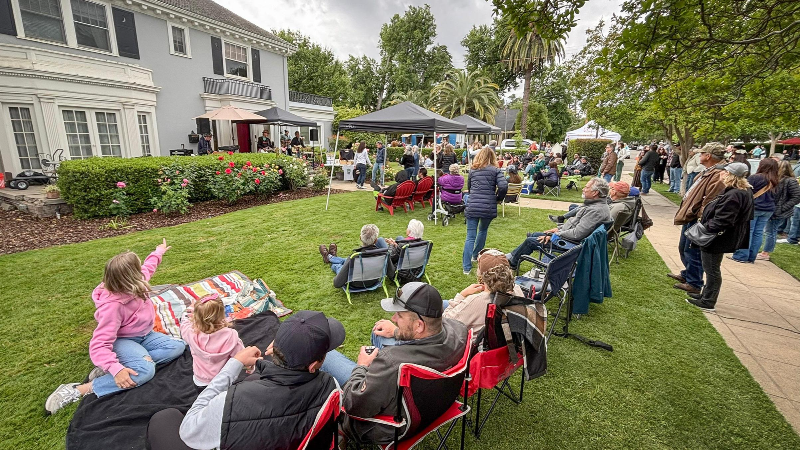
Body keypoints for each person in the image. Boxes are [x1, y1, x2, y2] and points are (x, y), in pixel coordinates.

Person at [146, 311, 345, 450]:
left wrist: (233, 365)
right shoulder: (331, 386)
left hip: (219, 417)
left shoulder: (231, 402)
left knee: (165, 418)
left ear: (275, 345)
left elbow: (189, 429)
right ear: (313, 365)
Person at [45, 239, 186, 414]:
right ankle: (78, 389)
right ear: (129, 279)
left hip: (145, 335)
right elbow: (99, 344)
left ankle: (127, 363)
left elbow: (148, 267)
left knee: (177, 346)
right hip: (123, 340)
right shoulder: (113, 307)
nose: (142, 270)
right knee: (145, 372)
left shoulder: (136, 282)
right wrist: (116, 369)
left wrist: (158, 252)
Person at [320, 282, 469, 446]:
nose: (394, 318)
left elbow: (354, 405)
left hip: (397, 426)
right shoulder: (460, 331)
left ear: (419, 325)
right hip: (438, 406)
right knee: (379, 333)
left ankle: (340, 429)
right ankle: (375, 381)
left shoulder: (391, 362)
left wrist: (362, 366)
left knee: (326, 354)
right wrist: (396, 332)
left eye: (399, 314)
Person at [686, 163, 754, 312]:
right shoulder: (739, 191)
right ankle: (706, 294)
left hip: (717, 237)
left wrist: (705, 229)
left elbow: (724, 219)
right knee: (710, 267)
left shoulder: (736, 194)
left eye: (724, 172)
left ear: (730, 175)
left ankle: (708, 301)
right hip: (720, 235)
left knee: (712, 269)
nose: (721, 174)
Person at [506, 178, 613, 268]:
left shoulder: (596, 210)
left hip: (571, 244)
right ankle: (512, 255)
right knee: (534, 235)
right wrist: (558, 228)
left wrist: (555, 235)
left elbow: (577, 234)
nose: (584, 189)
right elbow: (576, 224)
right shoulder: (595, 205)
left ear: (595, 193)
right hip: (569, 239)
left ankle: (512, 262)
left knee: (530, 241)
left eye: (586, 187)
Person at [668, 143, 726, 295]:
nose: (698, 156)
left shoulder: (719, 174)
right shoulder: (709, 171)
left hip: (698, 219)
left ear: (708, 156)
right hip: (690, 216)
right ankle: (688, 274)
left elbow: (711, 201)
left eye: (701, 154)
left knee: (692, 251)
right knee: (684, 247)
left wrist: (701, 218)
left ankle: (694, 283)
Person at [444, 249, 524, 341]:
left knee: (444, 304)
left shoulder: (475, 301)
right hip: (507, 343)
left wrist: (461, 295)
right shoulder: (517, 289)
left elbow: (445, 322)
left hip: (476, 348)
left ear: (482, 274)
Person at [180, 294, 244, 390]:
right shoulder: (231, 336)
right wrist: (251, 367)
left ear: (196, 317)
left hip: (199, 381)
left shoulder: (190, 332)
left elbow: (184, 321)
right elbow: (241, 355)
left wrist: (190, 309)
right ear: (222, 314)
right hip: (222, 381)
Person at [463, 147, 508, 274]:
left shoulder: (473, 170)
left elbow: (470, 188)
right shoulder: (496, 170)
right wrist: (498, 198)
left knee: (470, 236)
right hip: (488, 205)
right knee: (482, 231)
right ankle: (475, 256)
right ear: (492, 157)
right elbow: (504, 186)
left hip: (473, 204)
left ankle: (466, 267)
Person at [730, 158, 780, 263]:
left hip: (754, 207)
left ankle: (741, 255)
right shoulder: (776, 180)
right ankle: (751, 257)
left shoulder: (755, 178)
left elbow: (745, 192)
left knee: (747, 231)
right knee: (758, 232)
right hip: (768, 209)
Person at [319, 224, 396, 288]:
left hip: (354, 283)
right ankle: (330, 257)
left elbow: (337, 283)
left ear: (360, 238)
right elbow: (392, 274)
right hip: (373, 281)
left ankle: (330, 258)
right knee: (347, 261)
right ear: (376, 240)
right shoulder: (384, 255)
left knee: (337, 266)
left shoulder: (354, 257)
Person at [758, 161, 800, 258]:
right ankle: (765, 250)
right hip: (773, 208)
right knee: (769, 230)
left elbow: (796, 197)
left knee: (771, 231)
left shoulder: (790, 181)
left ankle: (766, 252)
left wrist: (781, 208)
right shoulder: (778, 179)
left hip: (779, 210)